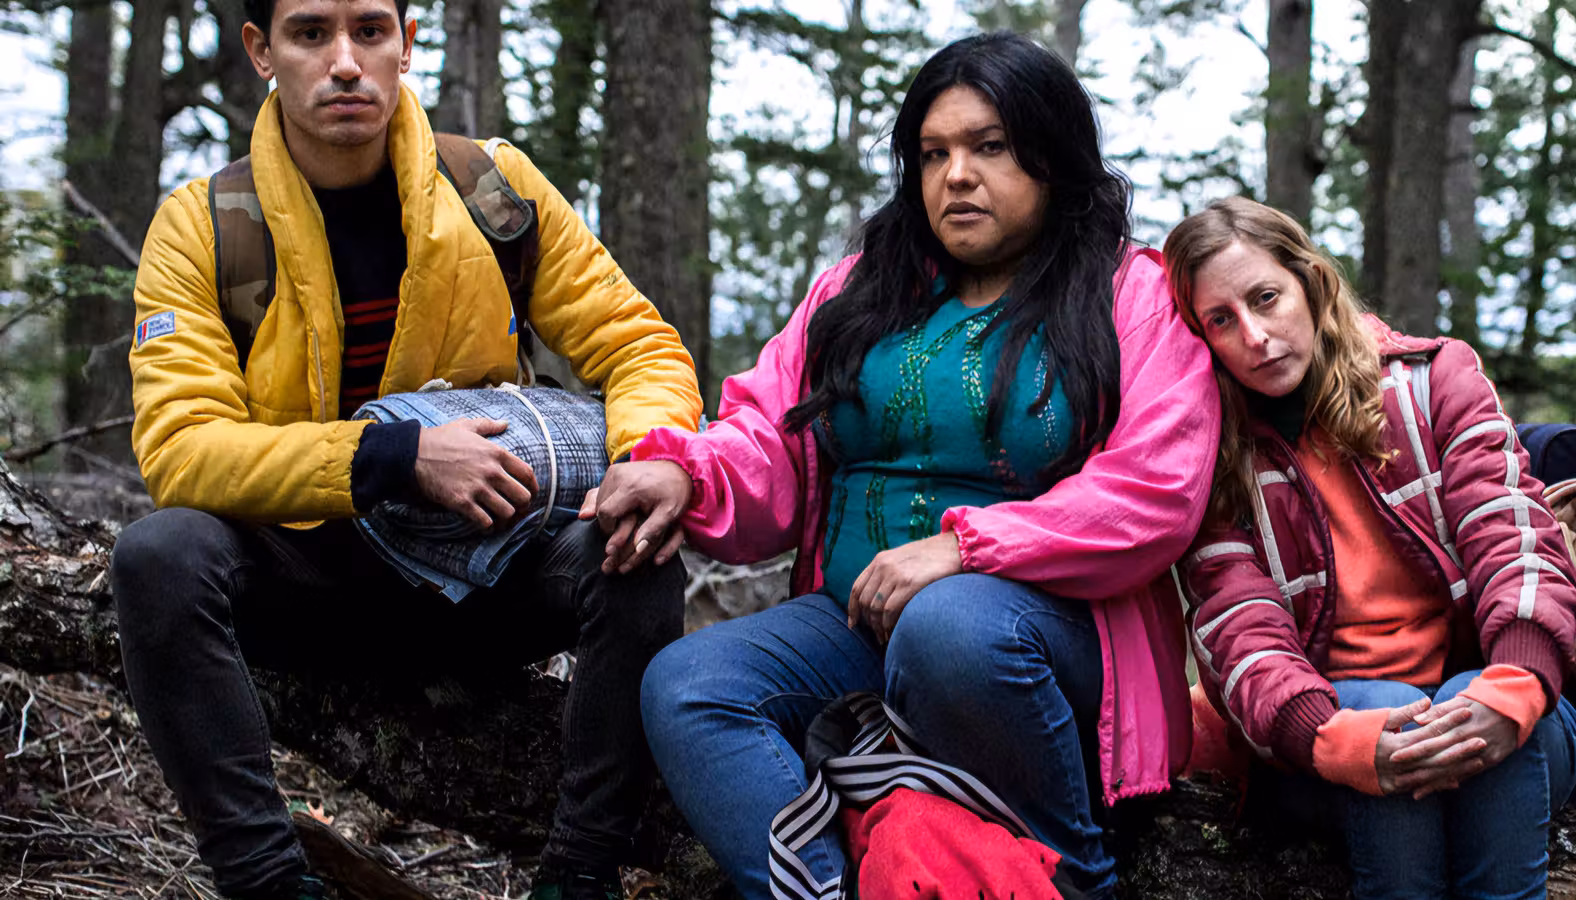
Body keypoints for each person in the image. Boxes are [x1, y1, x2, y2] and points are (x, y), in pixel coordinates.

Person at [588, 32, 1219, 899]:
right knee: (691, 683)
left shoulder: (1131, 295)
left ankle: (1077, 879)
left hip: (1044, 653)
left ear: (1054, 156)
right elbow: (770, 434)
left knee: (947, 624)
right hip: (855, 629)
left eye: (989, 146)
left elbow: (1156, 493)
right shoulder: (860, 290)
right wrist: (688, 473)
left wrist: (965, 549)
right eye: (933, 153)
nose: (956, 175)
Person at [110, 0, 701, 896]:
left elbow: (639, 347)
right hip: (310, 585)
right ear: (261, 51)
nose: (346, 62)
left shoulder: (491, 188)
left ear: (407, 43)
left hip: (486, 575)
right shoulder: (204, 225)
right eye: (312, 33)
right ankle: (269, 883)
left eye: (370, 31)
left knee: (635, 551)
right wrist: (396, 458)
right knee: (159, 554)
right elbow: (182, 447)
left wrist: (648, 455)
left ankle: (580, 874)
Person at [1162, 196, 1576, 900]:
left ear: (1311, 283)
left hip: (1500, 706)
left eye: (1266, 298)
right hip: (1323, 736)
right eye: (1221, 321)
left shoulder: (1435, 380)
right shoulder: (1209, 460)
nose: (1256, 337)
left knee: (1467, 707)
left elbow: (1513, 533)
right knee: (1384, 711)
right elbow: (1239, 631)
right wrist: (1341, 739)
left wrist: (1511, 684)